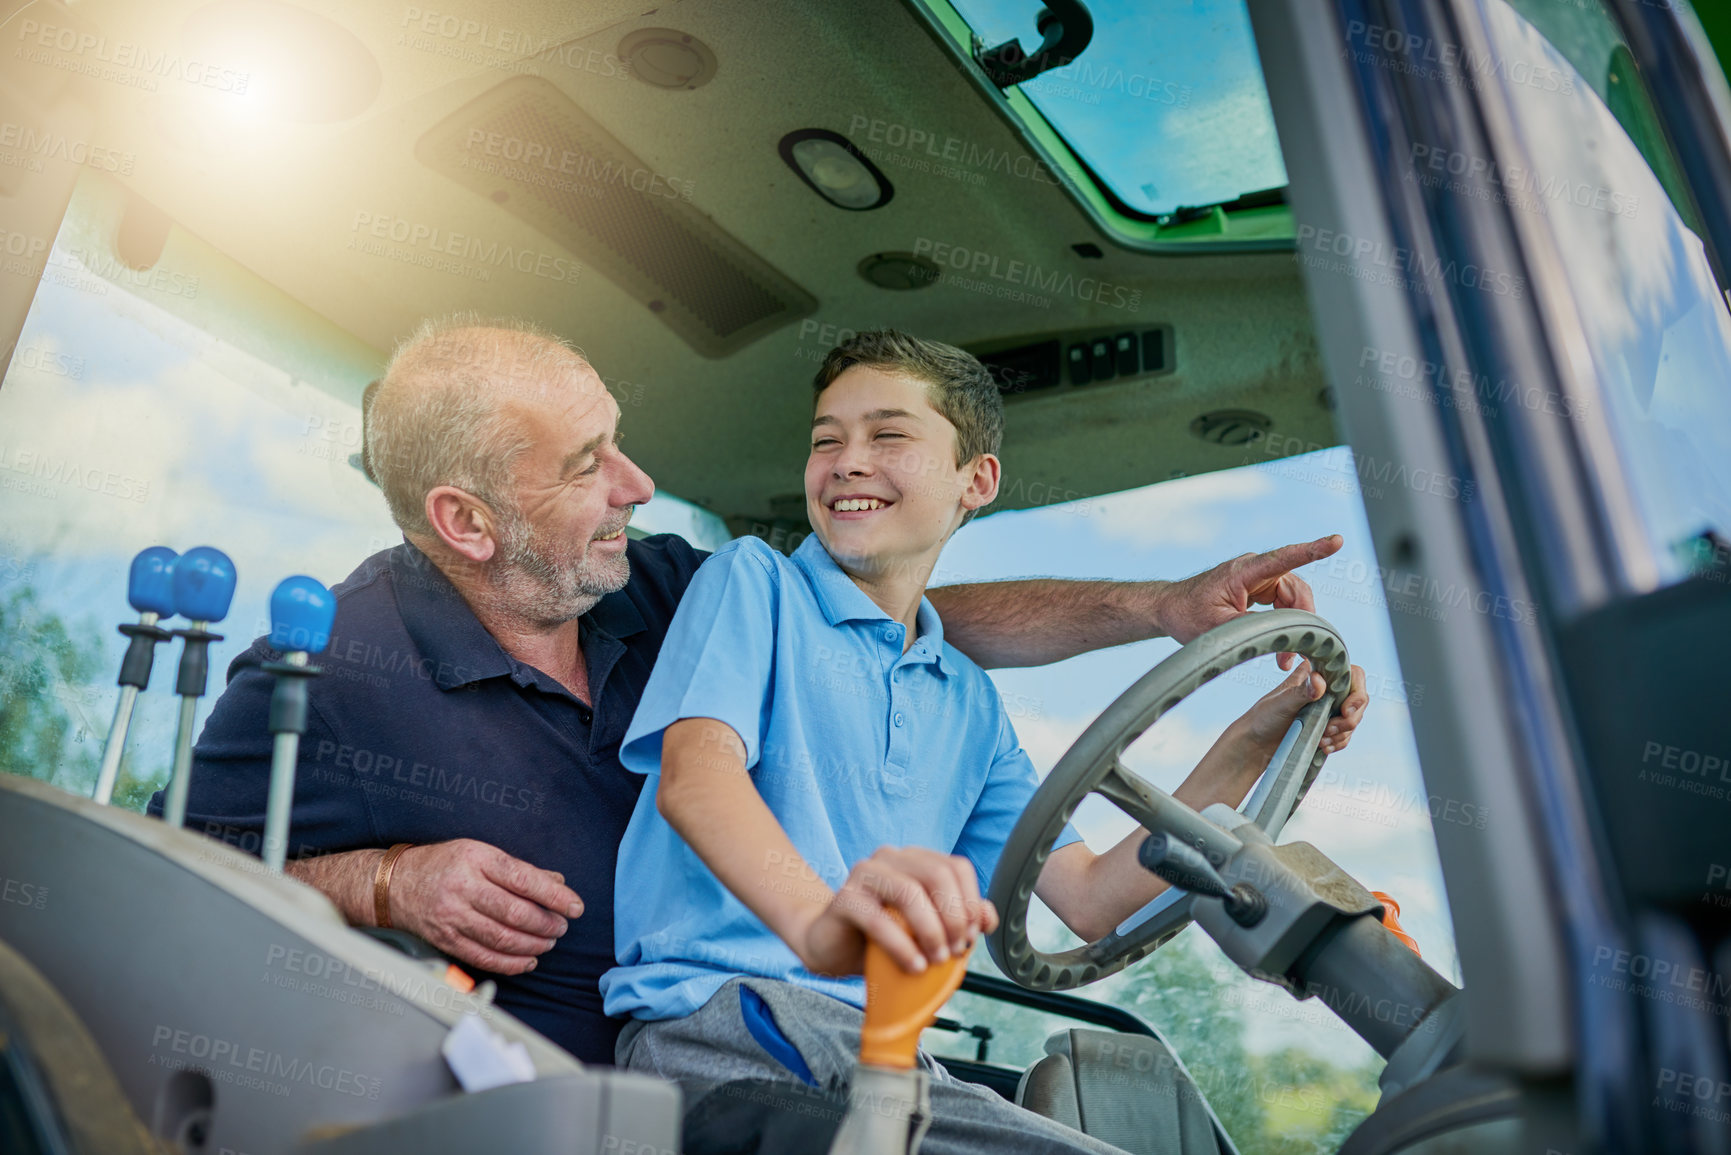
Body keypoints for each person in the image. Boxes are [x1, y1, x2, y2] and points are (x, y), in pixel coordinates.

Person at [151, 315, 1367, 1068]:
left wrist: (1169, 625)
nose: (637, 484)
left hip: (818, 1053)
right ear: (468, 522)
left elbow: (910, 630)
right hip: (616, 1078)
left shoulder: (658, 585)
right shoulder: (333, 671)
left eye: (619, 440)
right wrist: (379, 883)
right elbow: (158, 893)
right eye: (589, 465)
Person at [601, 330, 1367, 1153]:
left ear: (977, 480)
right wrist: (824, 928)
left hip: (876, 1049)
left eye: (888, 434)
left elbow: (1090, 897)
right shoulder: (755, 581)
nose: (847, 460)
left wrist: (1257, 736)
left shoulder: (967, 701)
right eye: (827, 439)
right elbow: (696, 776)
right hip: (730, 1028)